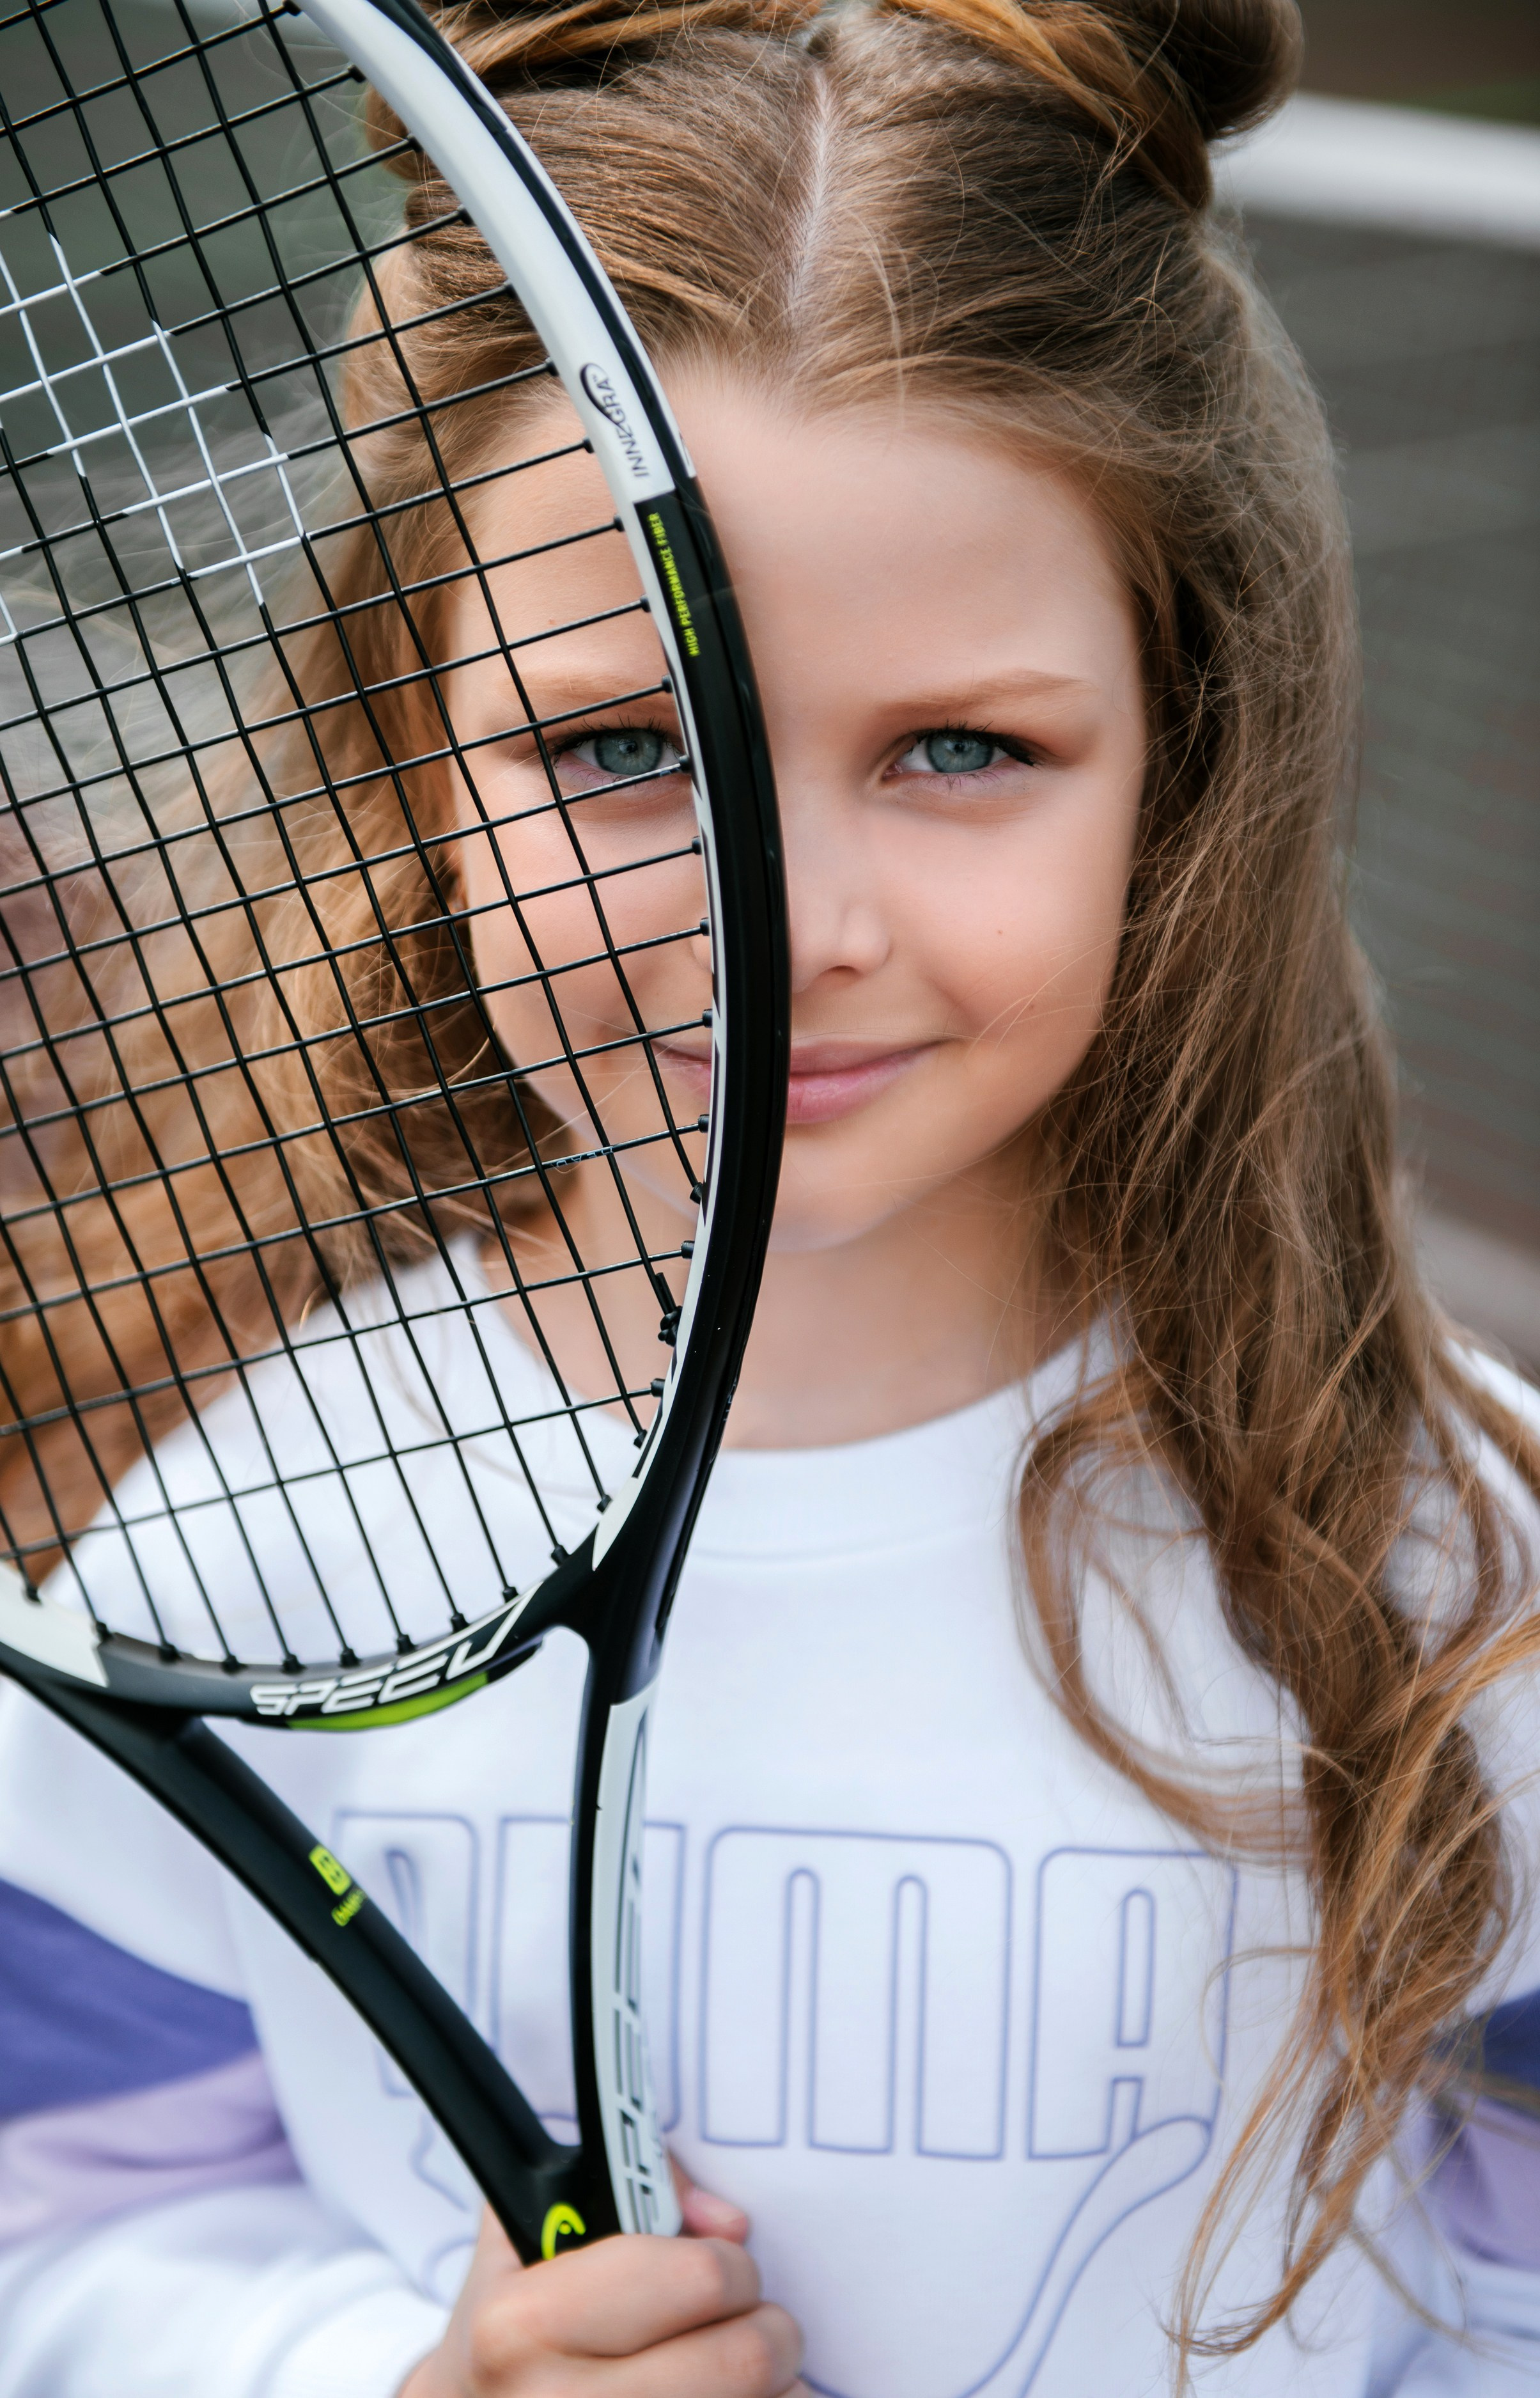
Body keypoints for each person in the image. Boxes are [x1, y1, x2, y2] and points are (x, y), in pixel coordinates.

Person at [1, 0, 1538, 2390]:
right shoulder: (221, 1547)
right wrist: (393, 2379)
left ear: (1184, 766)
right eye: (617, 748)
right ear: (407, 755)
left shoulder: (1453, 1564)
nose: (778, 913)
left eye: (960, 749)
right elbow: (70, 2219)